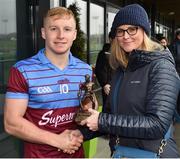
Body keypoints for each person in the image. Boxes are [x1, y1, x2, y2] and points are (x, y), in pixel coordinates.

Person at [81, 4, 180, 157]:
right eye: (120, 31)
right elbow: (111, 115)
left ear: (144, 31)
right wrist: (79, 135)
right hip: (122, 153)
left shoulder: (161, 66)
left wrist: (102, 121)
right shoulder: (121, 70)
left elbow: (157, 124)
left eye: (132, 29)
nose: (126, 36)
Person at [4, 7, 93, 158]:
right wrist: (58, 140)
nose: (60, 35)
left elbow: (86, 111)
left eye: (67, 29)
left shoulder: (84, 70)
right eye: (53, 29)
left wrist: (80, 130)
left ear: (74, 34)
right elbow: (11, 123)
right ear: (44, 33)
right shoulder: (23, 70)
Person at [95, 33, 114, 113]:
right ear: (110, 39)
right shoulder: (104, 53)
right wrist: (104, 84)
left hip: (120, 85)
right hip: (108, 86)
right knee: (108, 108)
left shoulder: (123, 52)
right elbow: (99, 69)